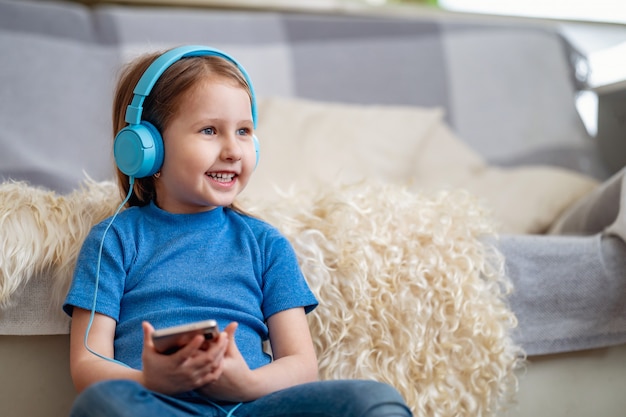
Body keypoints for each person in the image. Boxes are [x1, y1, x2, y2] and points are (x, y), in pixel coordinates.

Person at [62, 45, 412, 417]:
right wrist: (152, 381)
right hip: (159, 406)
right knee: (100, 403)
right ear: (148, 148)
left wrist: (246, 384)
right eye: (210, 130)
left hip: (252, 406)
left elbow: (300, 363)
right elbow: (88, 364)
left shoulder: (264, 243)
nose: (233, 150)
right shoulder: (114, 240)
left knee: (374, 400)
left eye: (244, 131)